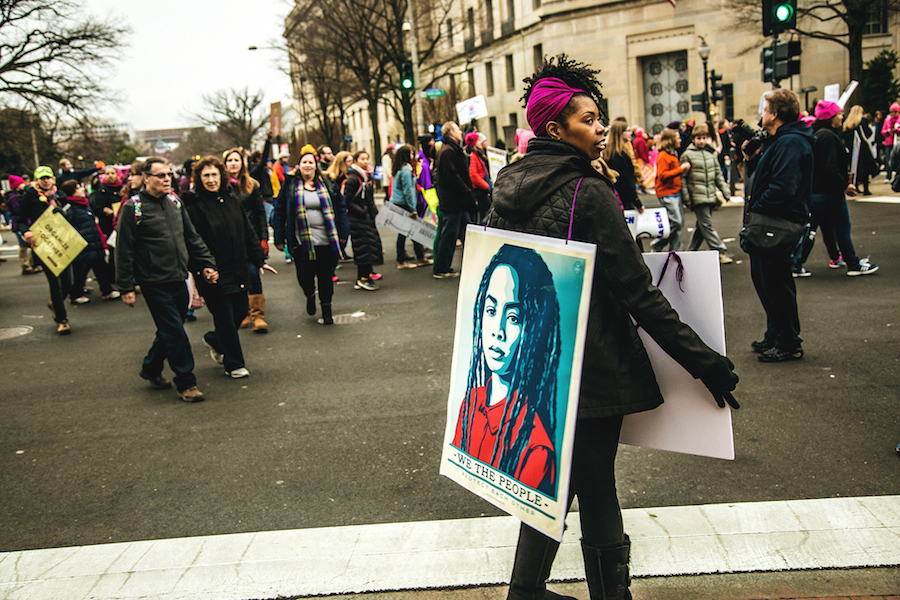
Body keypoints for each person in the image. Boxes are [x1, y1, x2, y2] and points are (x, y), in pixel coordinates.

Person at [488, 53, 739, 600]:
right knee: (594, 482)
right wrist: (706, 362)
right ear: (556, 128)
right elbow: (638, 294)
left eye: (601, 118)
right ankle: (595, 594)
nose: (601, 130)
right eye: (588, 120)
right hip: (591, 363)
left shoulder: (507, 185)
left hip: (531, 366)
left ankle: (527, 589)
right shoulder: (589, 191)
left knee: (556, 480)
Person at [452, 244, 560, 496]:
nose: (497, 330)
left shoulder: (535, 447)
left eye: (513, 317)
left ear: (533, 327)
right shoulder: (471, 402)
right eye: (491, 311)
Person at [115, 157, 219, 402]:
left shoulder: (175, 202)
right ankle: (186, 383)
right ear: (146, 178)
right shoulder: (134, 208)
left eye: (169, 174)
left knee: (169, 329)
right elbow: (124, 250)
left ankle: (150, 367)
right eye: (161, 175)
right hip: (153, 282)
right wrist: (126, 286)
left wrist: (206, 264)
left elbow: (191, 238)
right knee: (176, 333)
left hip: (178, 278)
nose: (166, 179)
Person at [743, 89, 815, 363]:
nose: (762, 115)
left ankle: (788, 341)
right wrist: (751, 159)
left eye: (765, 110)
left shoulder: (790, 143)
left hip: (777, 223)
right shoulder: (782, 141)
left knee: (776, 284)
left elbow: (783, 187)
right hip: (773, 222)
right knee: (765, 281)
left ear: (774, 114)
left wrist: (758, 207)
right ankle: (776, 333)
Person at [183, 156, 268, 378]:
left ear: (222, 176)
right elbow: (191, 241)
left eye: (214, 175)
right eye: (206, 176)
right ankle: (234, 364)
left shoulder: (232, 199)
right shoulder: (193, 205)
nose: (211, 180)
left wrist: (258, 258)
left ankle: (213, 339)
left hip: (238, 266)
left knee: (239, 313)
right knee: (225, 319)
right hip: (213, 272)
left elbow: (247, 231)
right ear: (199, 179)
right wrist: (202, 267)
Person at [793, 101, 879, 279]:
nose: (842, 117)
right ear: (831, 117)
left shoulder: (816, 134)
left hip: (815, 191)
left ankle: (796, 263)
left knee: (810, 229)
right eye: (838, 114)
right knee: (842, 228)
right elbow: (829, 168)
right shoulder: (829, 137)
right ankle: (853, 263)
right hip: (830, 192)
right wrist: (844, 184)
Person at [273, 147, 342, 324]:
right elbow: (279, 211)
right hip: (301, 243)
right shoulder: (289, 186)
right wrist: (279, 238)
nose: (308, 166)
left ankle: (327, 309)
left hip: (326, 242)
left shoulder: (326, 183)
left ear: (315, 165)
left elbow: (340, 208)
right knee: (305, 277)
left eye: (311, 162)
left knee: (326, 277)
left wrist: (343, 232)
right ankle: (310, 294)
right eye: (304, 162)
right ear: (299, 166)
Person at [17, 166, 74, 334]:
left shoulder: (60, 196)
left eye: (48, 177)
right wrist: (26, 232)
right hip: (43, 245)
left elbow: (71, 216)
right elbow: (20, 219)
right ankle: (62, 320)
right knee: (54, 283)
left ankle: (55, 304)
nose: (46, 181)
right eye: (42, 178)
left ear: (53, 179)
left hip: (63, 243)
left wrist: (62, 212)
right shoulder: (30, 197)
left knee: (68, 283)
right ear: (36, 180)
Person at [224, 147, 270, 333]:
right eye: (229, 160)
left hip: (250, 238)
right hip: (229, 241)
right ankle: (242, 312)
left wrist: (264, 239)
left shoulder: (252, 185)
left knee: (252, 273)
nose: (233, 163)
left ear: (242, 163)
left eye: (236, 160)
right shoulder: (221, 186)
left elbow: (260, 214)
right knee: (236, 277)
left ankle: (258, 315)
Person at [680, 124, 733, 263]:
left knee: (701, 226)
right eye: (698, 138)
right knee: (706, 225)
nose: (701, 141)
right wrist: (687, 198)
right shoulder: (687, 155)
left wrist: (725, 191)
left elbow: (718, 175)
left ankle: (690, 253)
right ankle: (719, 250)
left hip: (709, 195)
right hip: (697, 196)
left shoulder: (710, 155)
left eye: (704, 138)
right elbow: (683, 179)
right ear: (693, 139)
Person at [59, 179, 117, 302]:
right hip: (83, 245)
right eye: (78, 188)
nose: (82, 190)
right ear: (73, 192)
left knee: (98, 267)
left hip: (92, 243)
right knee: (81, 271)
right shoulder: (70, 209)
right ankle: (76, 294)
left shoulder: (84, 204)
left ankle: (106, 290)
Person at [434, 121, 477, 278]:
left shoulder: (452, 150)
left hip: (458, 201)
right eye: (458, 129)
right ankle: (441, 268)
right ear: (451, 132)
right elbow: (453, 176)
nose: (461, 132)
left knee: (466, 233)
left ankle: (471, 265)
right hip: (454, 201)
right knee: (449, 236)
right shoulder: (448, 151)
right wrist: (467, 191)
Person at [344, 150, 383, 290]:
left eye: (367, 158)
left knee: (367, 247)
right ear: (355, 161)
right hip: (358, 219)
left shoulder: (364, 177)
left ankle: (365, 276)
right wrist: (363, 212)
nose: (366, 161)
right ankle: (363, 278)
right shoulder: (353, 178)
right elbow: (348, 200)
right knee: (363, 247)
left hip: (365, 218)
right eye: (362, 159)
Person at [651, 128, 690, 252]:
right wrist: (681, 169)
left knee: (678, 224)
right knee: (676, 222)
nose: (680, 140)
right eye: (677, 137)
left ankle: (675, 249)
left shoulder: (672, 154)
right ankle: (657, 244)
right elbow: (662, 175)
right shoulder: (663, 156)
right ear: (670, 140)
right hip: (667, 193)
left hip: (674, 192)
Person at [390, 144, 428, 269]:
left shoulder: (398, 168)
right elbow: (408, 191)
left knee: (411, 230)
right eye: (411, 153)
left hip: (397, 202)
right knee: (405, 232)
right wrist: (413, 208)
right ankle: (402, 260)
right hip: (404, 203)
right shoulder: (406, 169)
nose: (414, 156)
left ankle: (420, 256)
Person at [601, 120, 643, 212]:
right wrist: (637, 202)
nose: (630, 133)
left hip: (614, 196)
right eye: (627, 131)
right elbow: (626, 181)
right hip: (623, 198)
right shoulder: (620, 154)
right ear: (620, 133)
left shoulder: (610, 151)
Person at [5, 175, 41, 275]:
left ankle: (32, 264)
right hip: (18, 224)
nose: (24, 184)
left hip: (23, 222)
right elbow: (18, 211)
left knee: (30, 245)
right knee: (23, 246)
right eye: (21, 183)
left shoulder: (21, 195)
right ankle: (26, 265)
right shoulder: (13, 197)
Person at [841, 105, 877, 196]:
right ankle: (866, 189)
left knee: (854, 167)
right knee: (865, 167)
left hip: (851, 148)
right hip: (862, 147)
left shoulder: (847, 123)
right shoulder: (862, 121)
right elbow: (868, 133)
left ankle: (855, 186)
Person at [466, 132, 493, 224]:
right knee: (483, 215)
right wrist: (486, 186)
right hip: (479, 190)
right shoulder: (473, 155)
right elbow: (473, 175)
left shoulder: (477, 154)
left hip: (481, 189)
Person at [880, 102, 900, 182]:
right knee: (888, 159)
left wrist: (897, 130)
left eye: (895, 112)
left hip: (897, 142)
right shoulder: (887, 120)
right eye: (892, 112)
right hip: (889, 142)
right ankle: (888, 176)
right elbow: (883, 131)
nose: (893, 114)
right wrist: (888, 131)